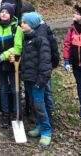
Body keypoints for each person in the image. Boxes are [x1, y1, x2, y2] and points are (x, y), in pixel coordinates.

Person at [21, 2, 59, 123]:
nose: (23, 23)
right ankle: (36, 118)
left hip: (42, 69)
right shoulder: (27, 34)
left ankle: (49, 117)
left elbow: (52, 48)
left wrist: (53, 63)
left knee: (45, 94)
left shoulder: (42, 31)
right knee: (33, 96)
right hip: (31, 70)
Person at [0, 3, 23, 128]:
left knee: (14, 88)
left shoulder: (16, 29)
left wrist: (4, 56)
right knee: (3, 88)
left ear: (11, 14)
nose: (4, 14)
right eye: (2, 11)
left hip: (13, 63)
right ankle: (5, 113)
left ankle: (16, 112)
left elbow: (18, 47)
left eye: (7, 12)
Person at [20, 12, 52, 147]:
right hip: (28, 78)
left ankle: (46, 131)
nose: (21, 24)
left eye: (24, 23)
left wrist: (42, 79)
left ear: (32, 25)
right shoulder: (27, 39)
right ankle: (39, 126)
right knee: (33, 103)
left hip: (37, 80)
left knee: (39, 105)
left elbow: (45, 62)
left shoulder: (41, 40)